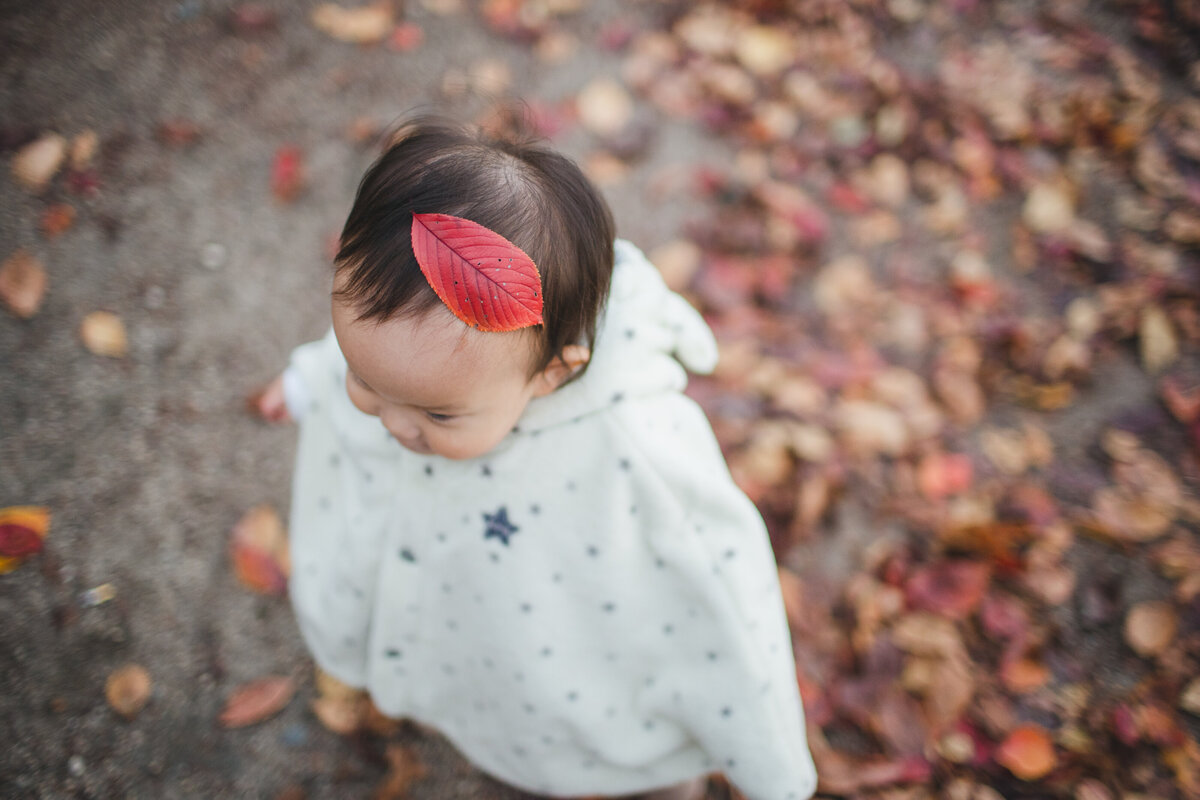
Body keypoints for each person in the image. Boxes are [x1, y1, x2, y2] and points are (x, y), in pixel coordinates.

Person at [255, 115, 817, 800]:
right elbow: (379, 362)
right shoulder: (415, 349)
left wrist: (771, 764)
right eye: (362, 377)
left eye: (437, 413)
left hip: (593, 706)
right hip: (483, 643)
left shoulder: (635, 450)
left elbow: (724, 587)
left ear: (551, 374)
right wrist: (311, 380)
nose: (389, 422)